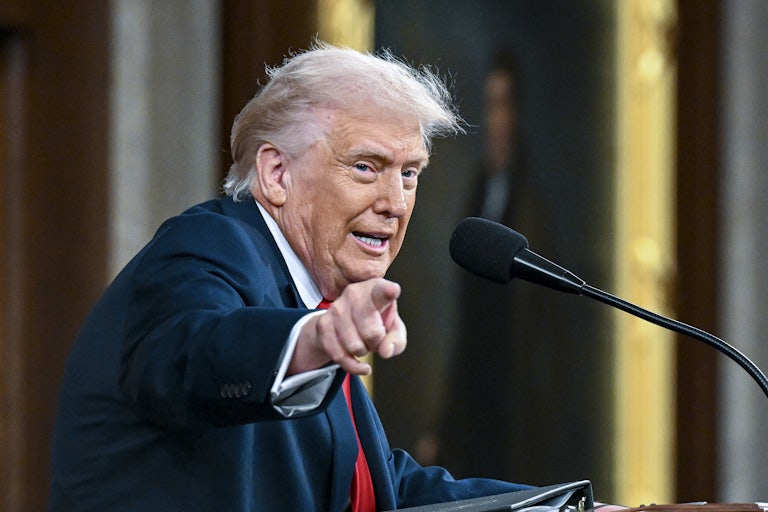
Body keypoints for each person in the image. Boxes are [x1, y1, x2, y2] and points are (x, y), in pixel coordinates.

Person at [47, 43, 537, 511]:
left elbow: (382, 492)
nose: (396, 203)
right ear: (277, 174)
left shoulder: (314, 302)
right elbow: (192, 349)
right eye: (366, 167)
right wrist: (312, 339)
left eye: (409, 173)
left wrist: (566, 508)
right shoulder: (210, 244)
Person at [435, 50, 557, 482]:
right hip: (475, 393)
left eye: (503, 104)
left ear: (517, 112)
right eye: (490, 104)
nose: (495, 118)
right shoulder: (477, 189)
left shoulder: (533, 202)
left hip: (515, 399)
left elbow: (540, 329)